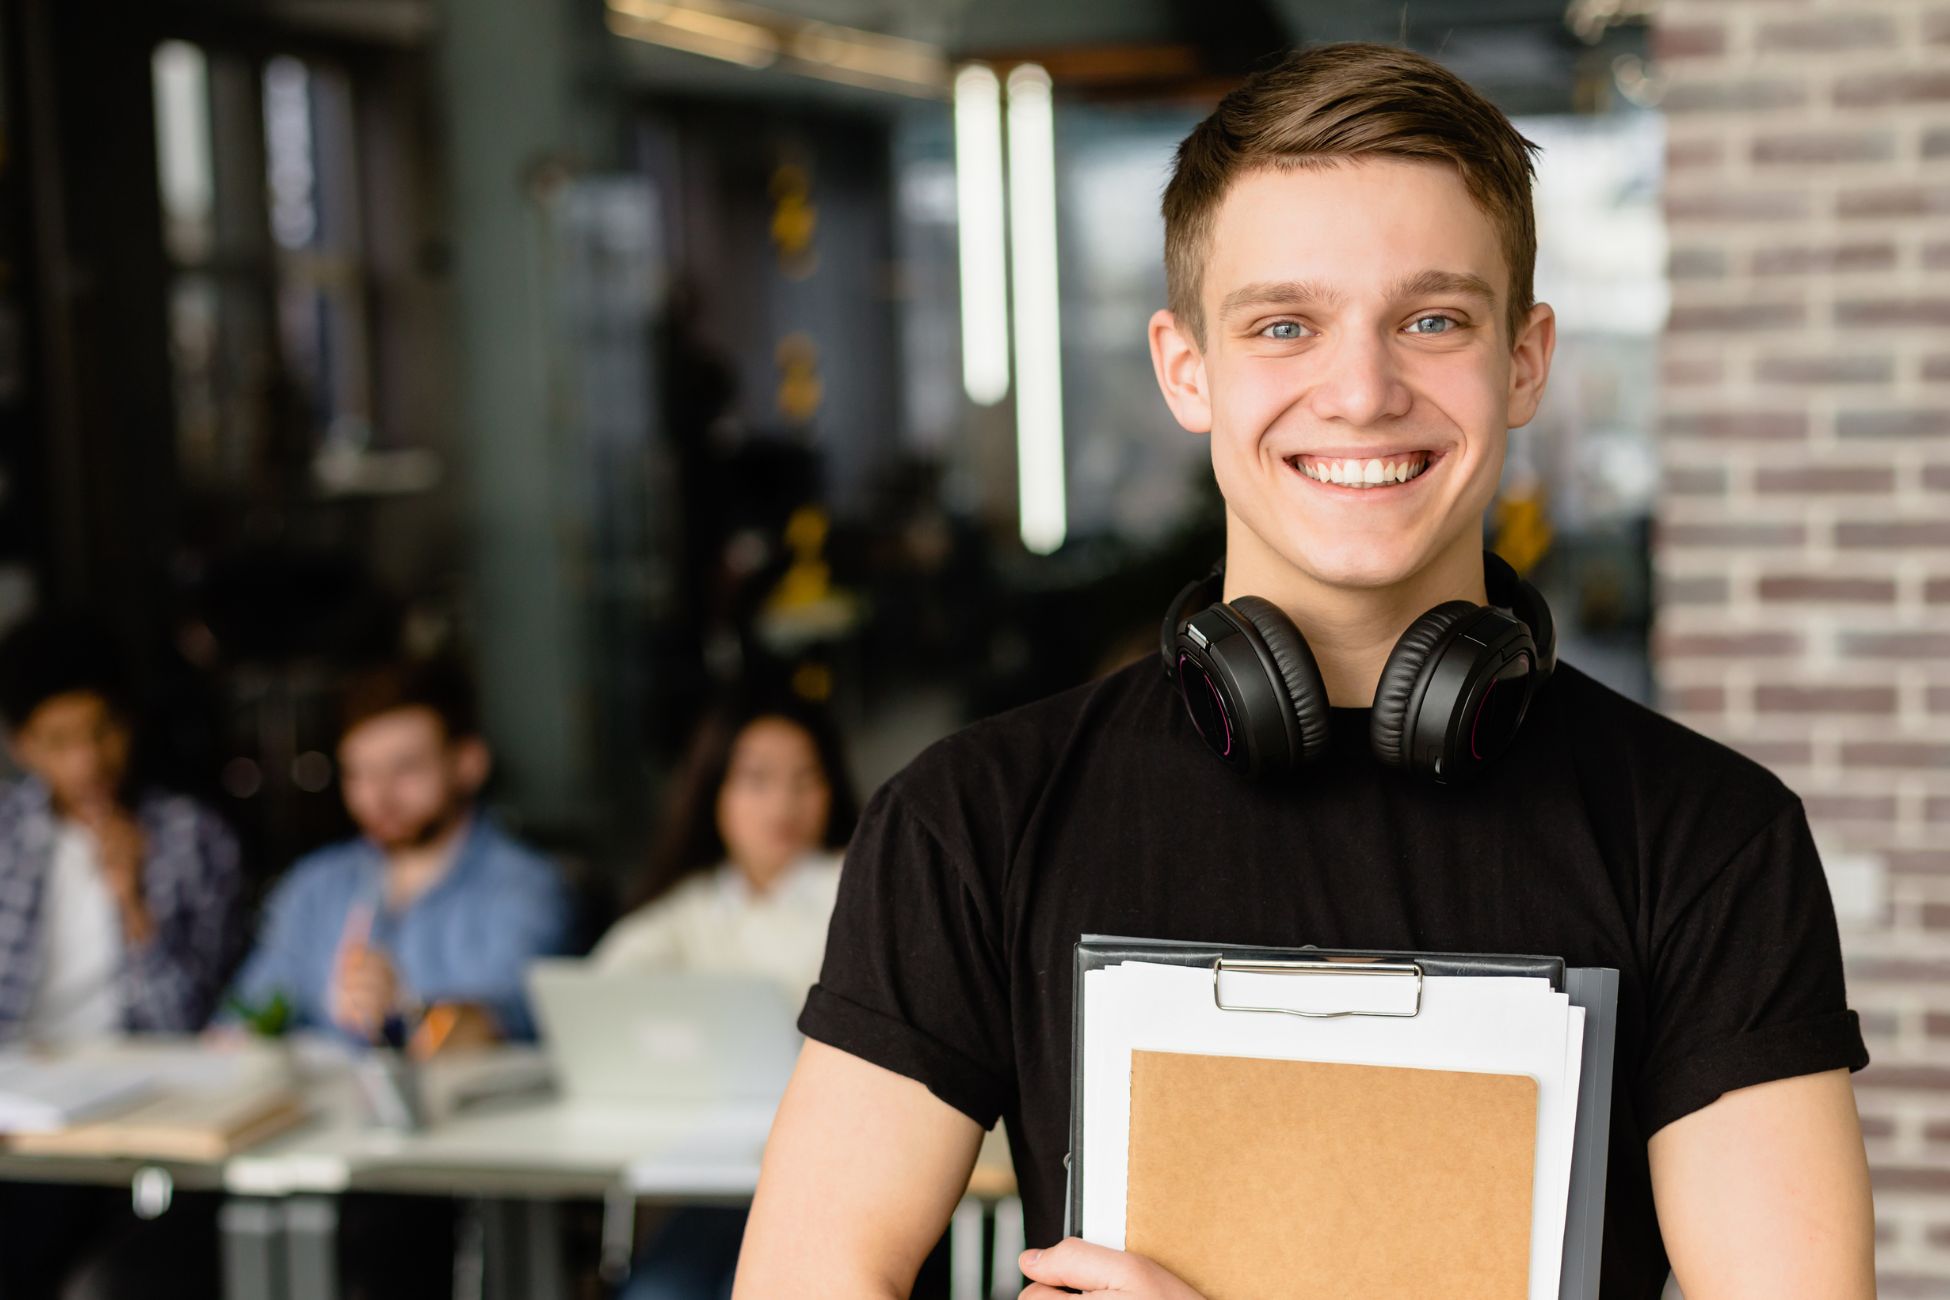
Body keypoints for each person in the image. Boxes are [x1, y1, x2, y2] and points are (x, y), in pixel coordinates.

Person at [736, 43, 1874, 1300]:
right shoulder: (974, 822)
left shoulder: (1709, 840)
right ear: (1185, 367)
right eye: (1285, 324)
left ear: (1526, 360)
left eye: (1432, 319)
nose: (1361, 390)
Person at [593, 692, 858, 1300]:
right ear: (711, 790)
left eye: (804, 779)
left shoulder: (858, 886)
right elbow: (604, 987)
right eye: (756, 780)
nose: (782, 805)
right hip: (718, 1170)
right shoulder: (694, 903)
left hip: (832, 1178)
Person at [225, 655, 573, 1051]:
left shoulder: (524, 886)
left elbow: (511, 1015)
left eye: (405, 769)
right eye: (361, 773)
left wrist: (410, 1009)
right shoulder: (316, 884)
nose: (379, 796)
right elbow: (248, 1013)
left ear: (468, 763)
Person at [0, 614, 245, 1043]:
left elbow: (192, 1029)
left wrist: (133, 902)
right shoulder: (7, 832)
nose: (88, 761)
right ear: (21, 747)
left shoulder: (192, 836)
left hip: (143, 1073)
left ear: (130, 721)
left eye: (103, 731)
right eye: (59, 741)